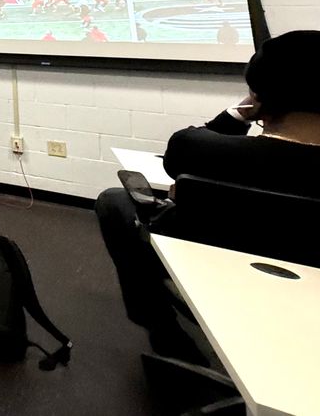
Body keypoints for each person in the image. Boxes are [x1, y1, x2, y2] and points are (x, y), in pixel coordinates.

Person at [95, 30, 320, 360]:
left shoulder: (198, 151)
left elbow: (191, 143)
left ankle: (164, 330)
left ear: (260, 99)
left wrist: (239, 113)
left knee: (115, 200)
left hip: (208, 279)